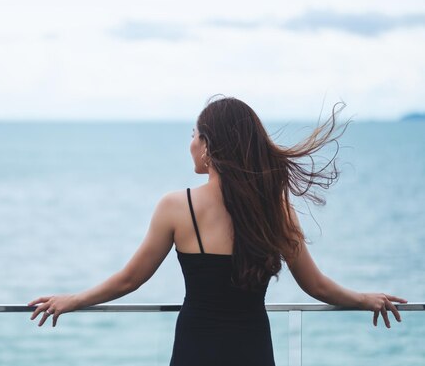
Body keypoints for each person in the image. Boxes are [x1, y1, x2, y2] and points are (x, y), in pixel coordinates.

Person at [28, 96, 406, 366]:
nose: (190, 143)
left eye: (195, 134)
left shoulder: (177, 207)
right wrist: (363, 299)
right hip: (253, 349)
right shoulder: (274, 208)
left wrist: (73, 300)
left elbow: (130, 279)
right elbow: (317, 286)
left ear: (210, 147)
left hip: (196, 348)